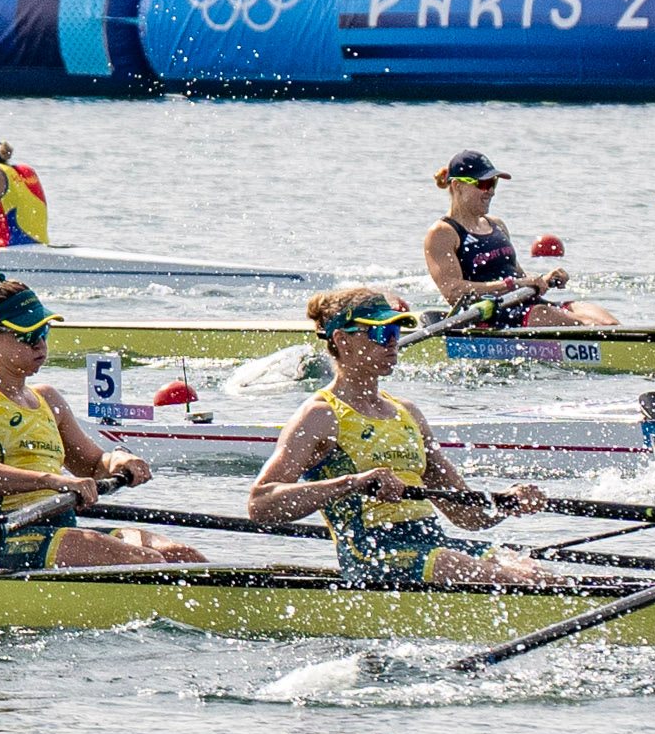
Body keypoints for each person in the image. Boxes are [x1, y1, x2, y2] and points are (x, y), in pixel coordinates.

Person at [246, 286, 573, 590]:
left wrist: (507, 502)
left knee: (537, 574)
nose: (391, 342)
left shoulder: (407, 413)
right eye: (380, 333)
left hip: (431, 544)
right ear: (343, 341)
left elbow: (464, 514)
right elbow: (260, 504)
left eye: (394, 332)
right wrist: (355, 482)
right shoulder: (319, 415)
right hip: (372, 555)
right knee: (509, 580)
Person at [0, 270, 201, 570]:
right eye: (27, 335)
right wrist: (53, 481)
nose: (40, 345)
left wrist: (118, 461)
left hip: (57, 529)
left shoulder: (48, 399)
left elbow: (93, 465)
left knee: (181, 555)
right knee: (146, 562)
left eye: (43, 332)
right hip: (1, 536)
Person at [423, 149, 607, 325]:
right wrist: (513, 284)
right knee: (553, 316)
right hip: (487, 317)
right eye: (483, 184)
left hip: (525, 305)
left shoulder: (497, 225)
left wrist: (543, 279)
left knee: (597, 316)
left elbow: (519, 276)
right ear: (458, 186)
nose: (491, 191)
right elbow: (453, 291)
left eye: (493, 183)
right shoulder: (442, 233)